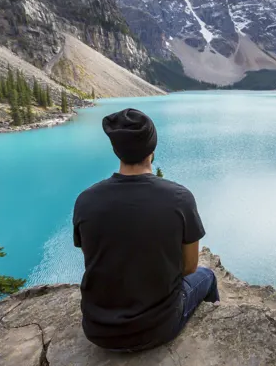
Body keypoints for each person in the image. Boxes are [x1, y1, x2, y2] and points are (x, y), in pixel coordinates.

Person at [73, 108, 220, 352]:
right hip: (159, 328)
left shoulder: (85, 200)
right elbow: (189, 267)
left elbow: (92, 258)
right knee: (208, 276)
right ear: (152, 150)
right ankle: (215, 331)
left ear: (115, 150)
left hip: (98, 330)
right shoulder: (180, 199)